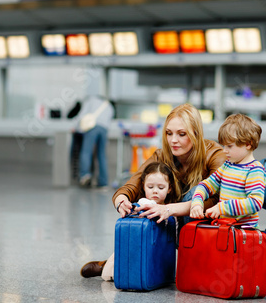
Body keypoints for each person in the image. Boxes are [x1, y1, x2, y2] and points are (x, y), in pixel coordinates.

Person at [80, 103, 226, 279]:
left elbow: (219, 198)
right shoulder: (162, 155)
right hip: (170, 226)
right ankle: (125, 260)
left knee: (196, 192)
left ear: (196, 133)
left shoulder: (214, 154)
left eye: (181, 134)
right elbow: (133, 185)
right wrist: (122, 200)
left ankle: (191, 265)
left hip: (204, 227)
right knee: (151, 186)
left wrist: (168, 209)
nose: (173, 140)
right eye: (169, 133)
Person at [190, 114, 266, 291]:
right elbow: (206, 185)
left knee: (250, 276)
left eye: (229, 146)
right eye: (224, 145)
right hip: (229, 232)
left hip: (245, 236)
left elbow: (255, 203)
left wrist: (223, 207)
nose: (225, 150)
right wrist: (197, 202)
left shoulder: (255, 171)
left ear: (247, 144)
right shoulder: (227, 166)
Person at [97, 161, 180, 280]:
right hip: (138, 251)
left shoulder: (171, 209)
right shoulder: (143, 204)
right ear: (143, 186)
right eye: (150, 187)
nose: (155, 191)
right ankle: (104, 268)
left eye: (161, 187)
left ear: (169, 188)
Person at [76, 95, 115, 189]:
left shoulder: (91, 100)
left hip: (92, 127)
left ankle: (85, 175)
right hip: (104, 129)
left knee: (86, 151)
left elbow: (82, 115)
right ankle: (103, 182)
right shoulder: (109, 106)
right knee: (102, 155)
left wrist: (77, 128)